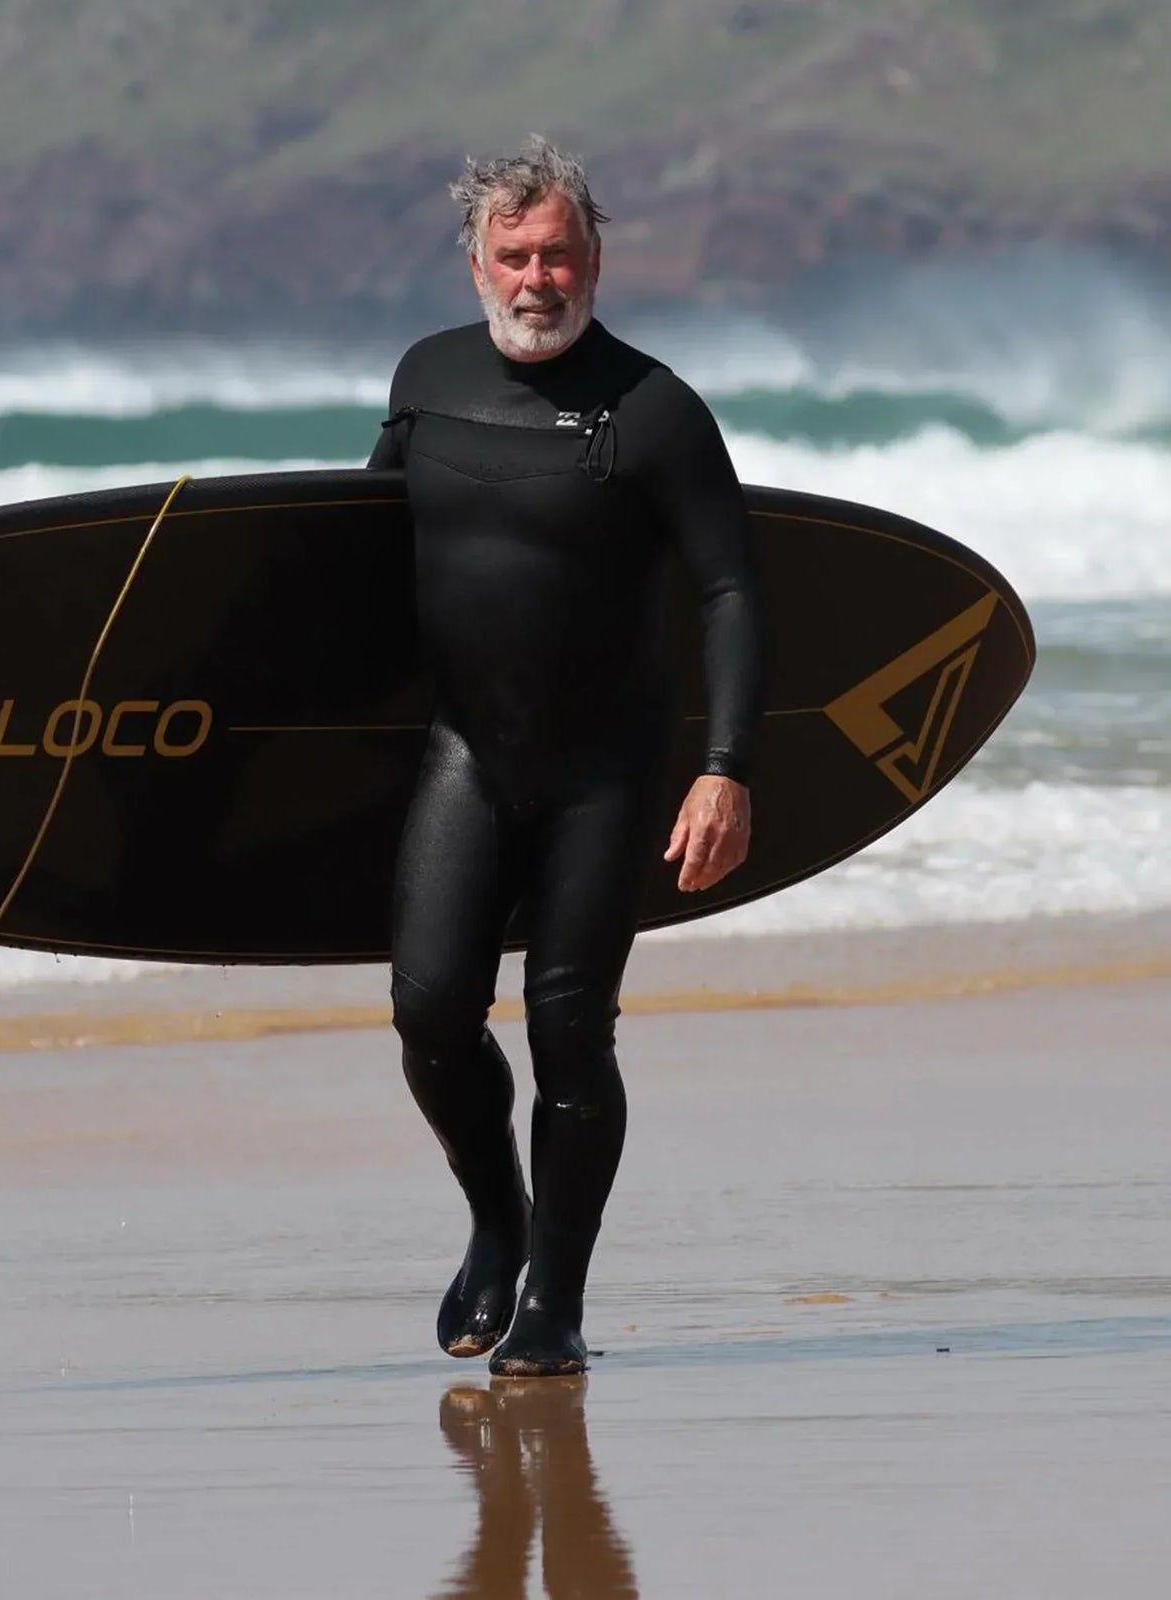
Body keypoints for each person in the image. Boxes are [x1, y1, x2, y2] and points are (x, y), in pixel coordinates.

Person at [367, 136, 762, 1377]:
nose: (536, 277)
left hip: (607, 768)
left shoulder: (653, 411)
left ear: (593, 260)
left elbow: (731, 591)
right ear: (476, 261)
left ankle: (557, 1304)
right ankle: (498, 1219)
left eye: (558, 254)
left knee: (568, 1028)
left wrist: (726, 765)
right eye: (514, 253)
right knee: (429, 1013)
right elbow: (357, 559)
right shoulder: (427, 377)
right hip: (465, 757)